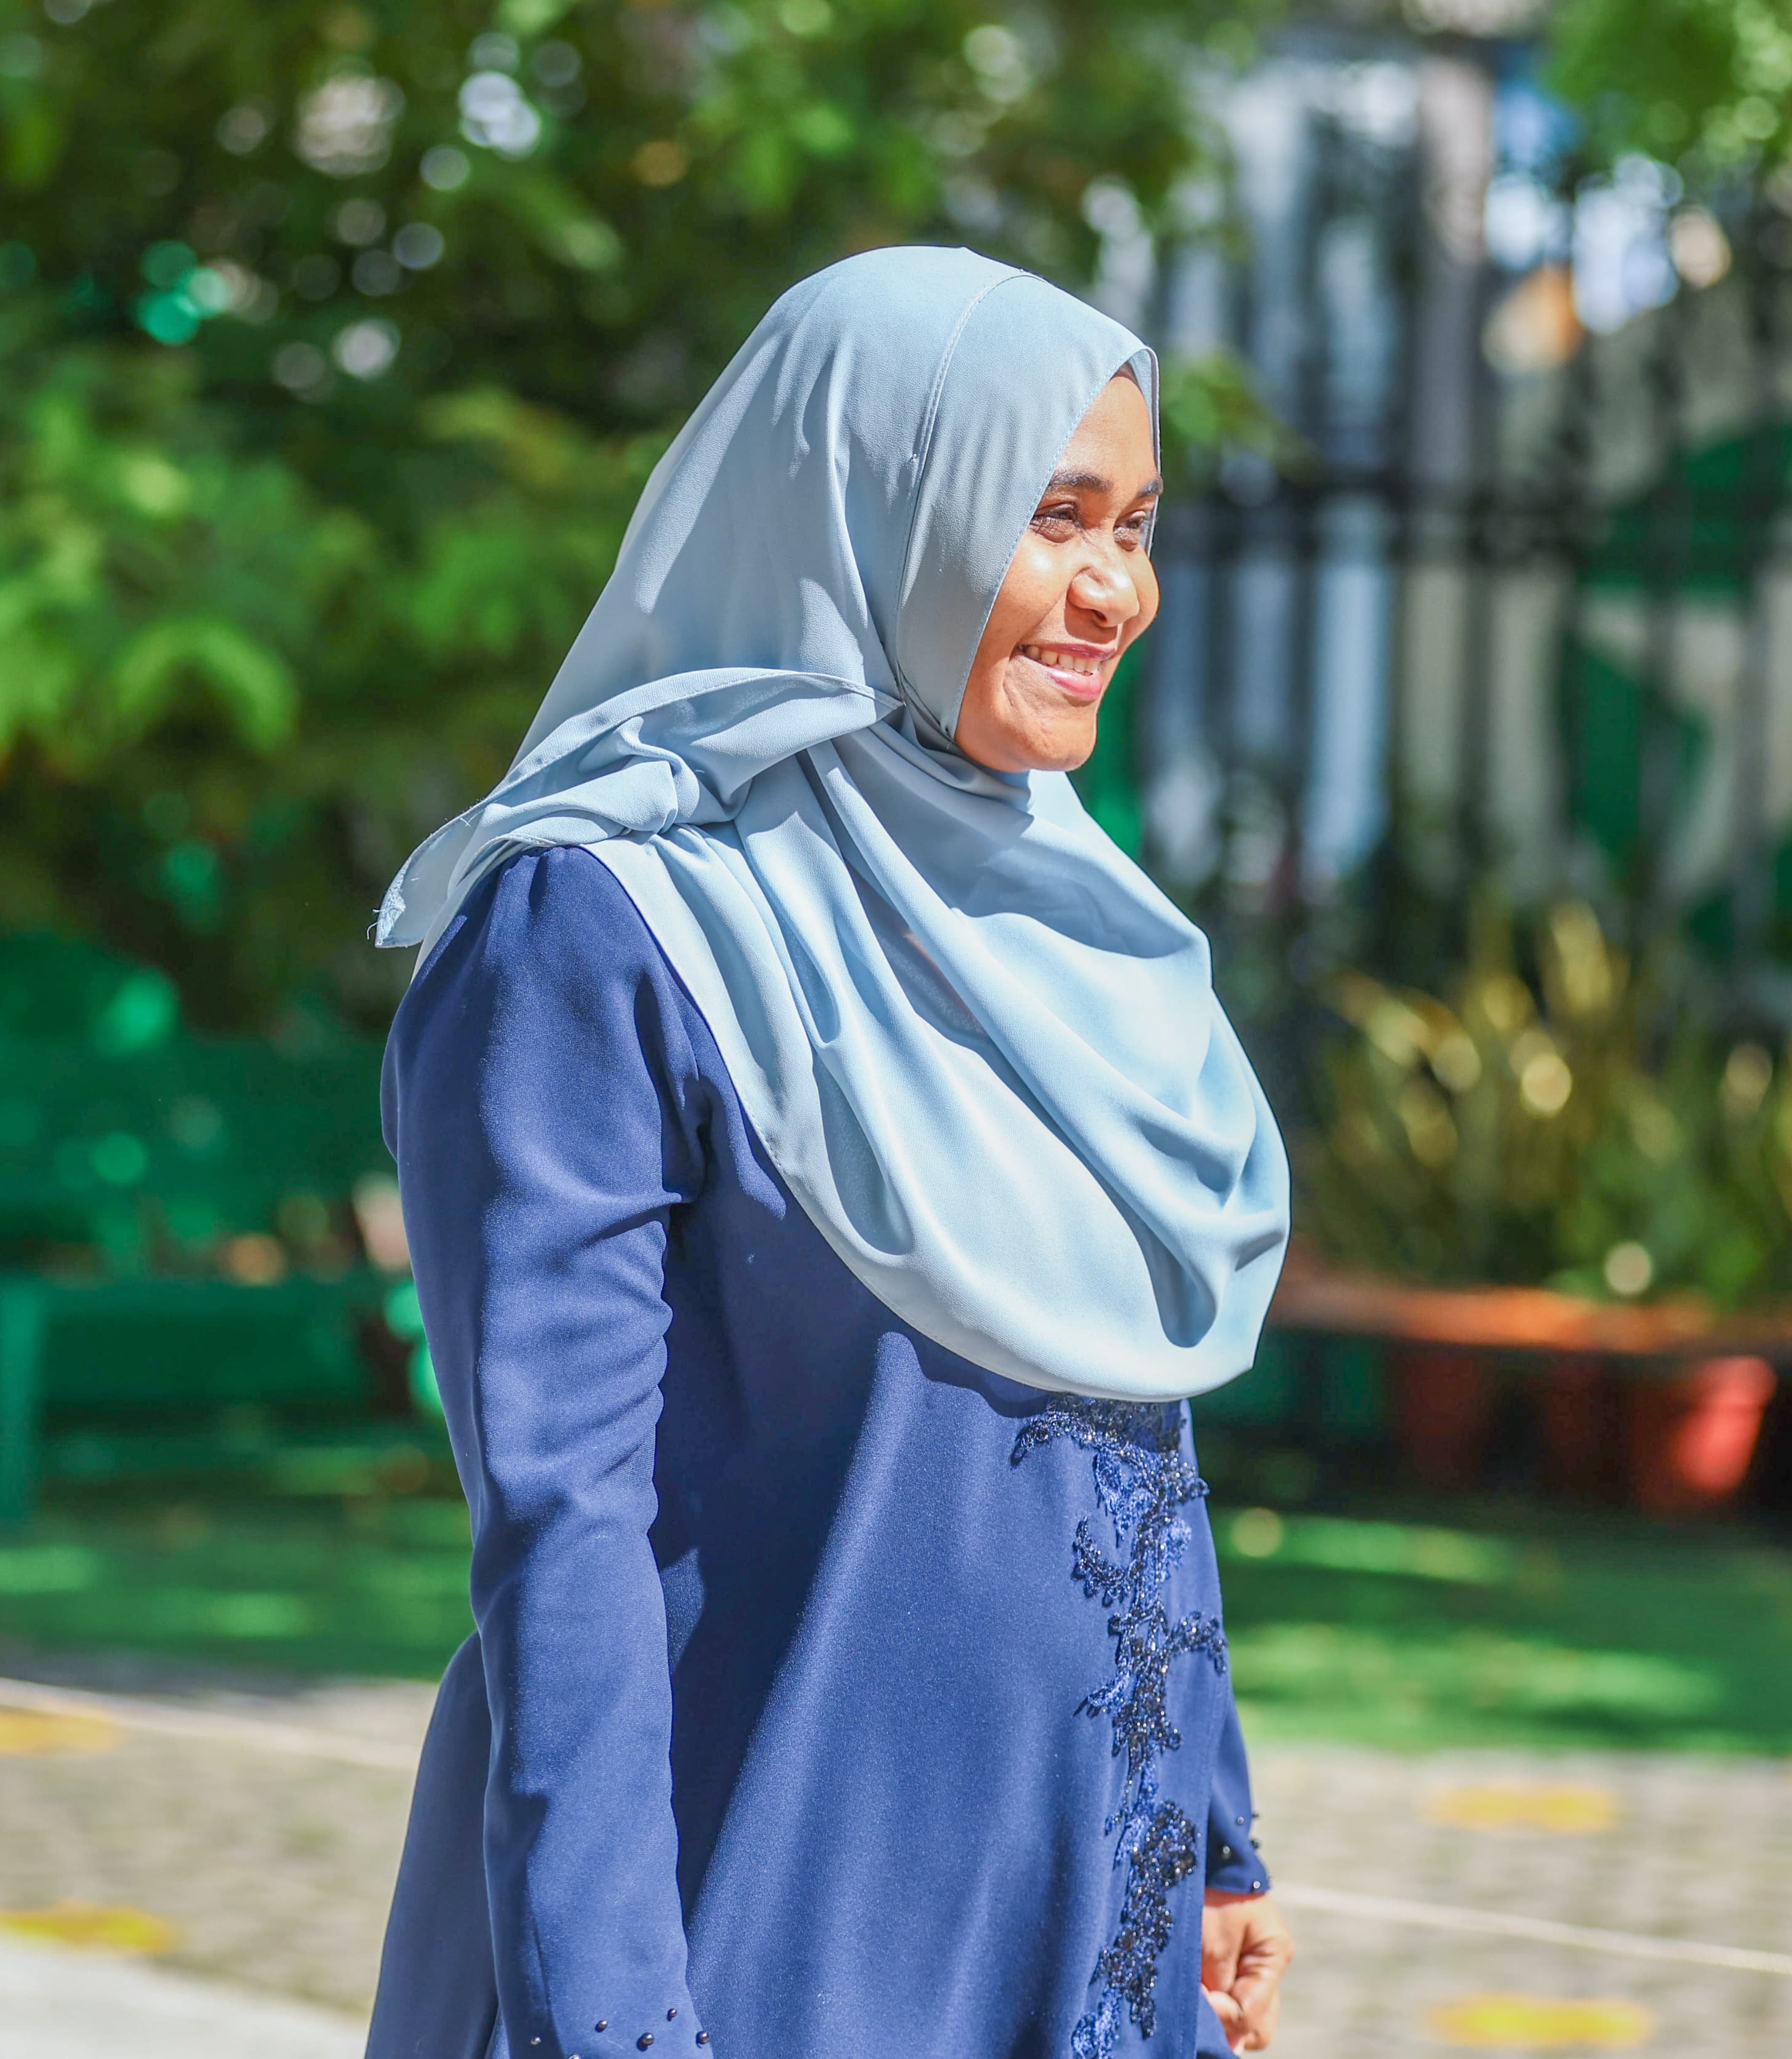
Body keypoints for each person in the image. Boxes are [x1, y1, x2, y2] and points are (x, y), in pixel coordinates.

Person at [367, 244, 1295, 2059]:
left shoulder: (1064, 925)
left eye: (1136, 526)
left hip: (1083, 1922)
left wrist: (1211, 1825)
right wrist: (617, 2034)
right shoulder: (595, 930)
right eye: (1054, 515)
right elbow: (567, 1540)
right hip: (763, 1923)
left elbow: (1124, 1405)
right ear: (877, 504)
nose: (1116, 587)